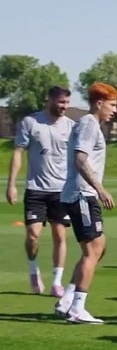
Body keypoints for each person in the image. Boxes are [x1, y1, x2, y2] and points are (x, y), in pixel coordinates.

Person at [54, 82, 117, 324]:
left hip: (83, 195)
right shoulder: (89, 124)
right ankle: (77, 308)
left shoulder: (90, 125)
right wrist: (100, 189)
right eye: (112, 105)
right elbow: (81, 160)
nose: (114, 110)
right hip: (82, 195)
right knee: (92, 251)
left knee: (99, 247)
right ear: (99, 103)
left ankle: (67, 300)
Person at [5, 86, 75, 297]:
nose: (64, 107)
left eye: (67, 103)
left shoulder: (71, 126)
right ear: (50, 100)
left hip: (62, 190)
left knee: (60, 234)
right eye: (61, 102)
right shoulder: (31, 122)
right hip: (36, 188)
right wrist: (11, 184)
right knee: (33, 235)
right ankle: (33, 270)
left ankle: (56, 281)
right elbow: (18, 153)